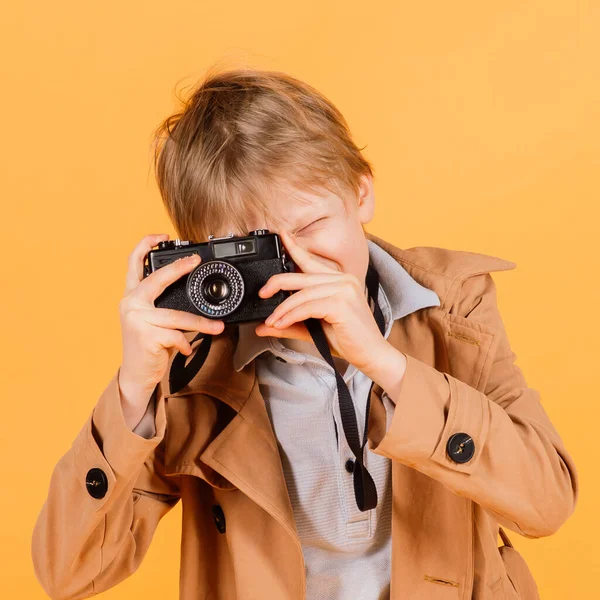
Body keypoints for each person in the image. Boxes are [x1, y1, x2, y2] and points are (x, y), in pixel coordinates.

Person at [31, 65, 578, 600]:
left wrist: (385, 363)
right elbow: (68, 575)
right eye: (255, 250)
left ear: (361, 193)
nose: (294, 264)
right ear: (202, 252)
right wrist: (134, 394)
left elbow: (546, 503)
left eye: (312, 226)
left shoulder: (452, 309)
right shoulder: (193, 365)